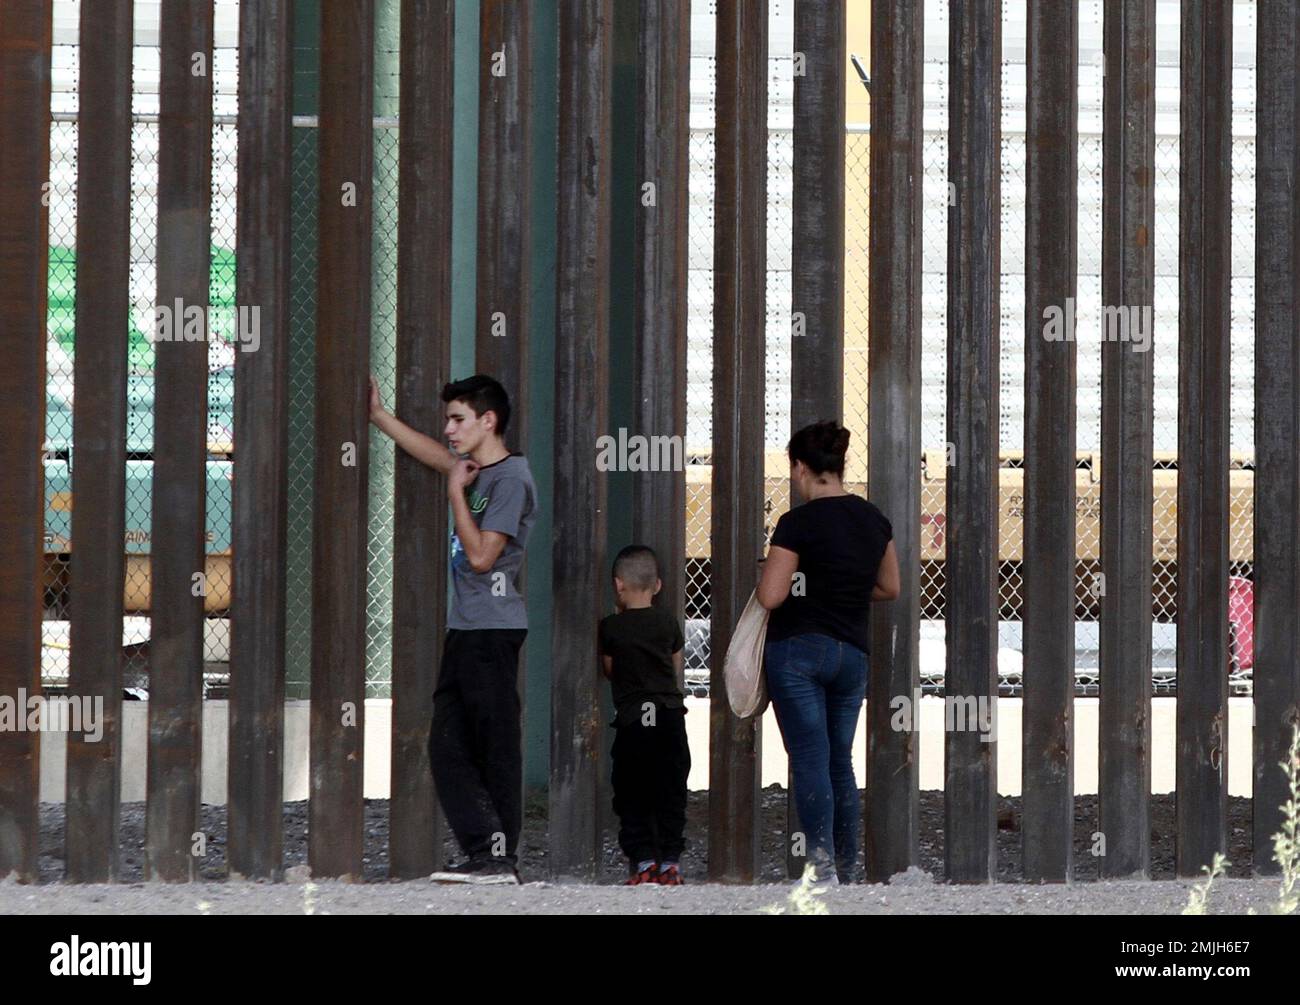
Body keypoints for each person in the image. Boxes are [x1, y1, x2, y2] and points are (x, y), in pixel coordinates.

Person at [369, 373, 537, 884]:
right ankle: (488, 853)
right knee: (448, 744)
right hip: (469, 630)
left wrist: (454, 496)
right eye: (447, 419)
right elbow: (434, 455)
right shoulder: (474, 471)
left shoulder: (508, 479)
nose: (448, 429)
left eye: (458, 419)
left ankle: (496, 856)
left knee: (491, 744)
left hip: (492, 629)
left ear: (489, 421)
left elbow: (484, 557)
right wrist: (379, 416)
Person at [756, 420, 899, 885]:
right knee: (841, 759)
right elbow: (890, 587)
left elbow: (771, 596)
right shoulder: (874, 520)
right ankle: (849, 867)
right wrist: (845, 591)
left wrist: (790, 581)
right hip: (851, 655)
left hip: (798, 651)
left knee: (810, 759)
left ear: (800, 467)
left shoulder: (796, 523)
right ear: (839, 466)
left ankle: (820, 866)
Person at [598, 545, 690, 885]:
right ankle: (670, 863)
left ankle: (643, 862)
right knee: (670, 790)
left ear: (618, 585)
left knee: (632, 791)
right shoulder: (667, 621)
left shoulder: (610, 627)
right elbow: (674, 665)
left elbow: (609, 670)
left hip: (633, 721)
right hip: (668, 717)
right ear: (658, 585)